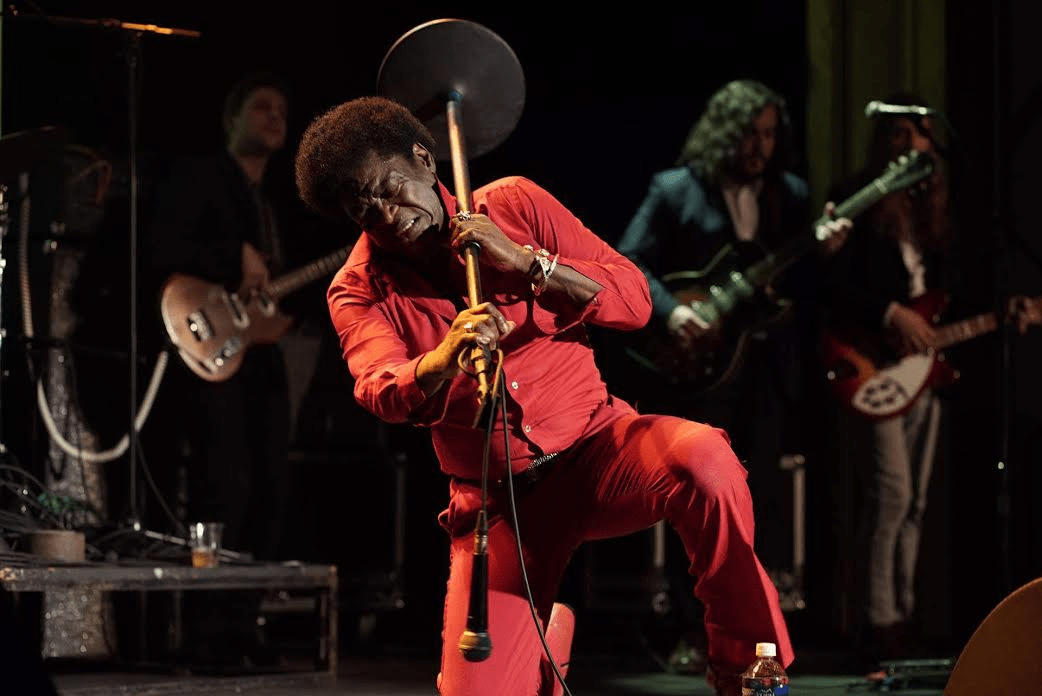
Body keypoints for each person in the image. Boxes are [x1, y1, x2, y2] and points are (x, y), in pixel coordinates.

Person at [294, 95, 794, 696]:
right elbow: (379, 388)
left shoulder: (513, 204)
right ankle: (541, 637)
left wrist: (531, 265)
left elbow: (635, 303)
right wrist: (440, 359)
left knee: (707, 460)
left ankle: (745, 666)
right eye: (362, 209)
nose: (386, 214)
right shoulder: (357, 288)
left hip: (599, 449)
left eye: (388, 188)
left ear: (425, 161)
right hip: (499, 502)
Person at [613, 79, 847, 668]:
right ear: (725, 132)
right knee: (701, 496)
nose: (760, 146)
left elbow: (807, 291)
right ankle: (696, 628)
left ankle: (755, 636)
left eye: (770, 134)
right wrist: (675, 311)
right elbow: (628, 261)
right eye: (750, 133)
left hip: (766, 369)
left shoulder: (789, 196)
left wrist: (828, 253)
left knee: (760, 496)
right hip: (700, 371)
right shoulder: (675, 189)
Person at [821, 92, 1040, 667]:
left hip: (924, 374)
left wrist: (1004, 311)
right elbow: (832, 286)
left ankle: (905, 616)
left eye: (921, 135)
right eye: (902, 135)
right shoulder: (857, 200)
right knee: (890, 495)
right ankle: (878, 622)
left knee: (915, 500)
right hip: (871, 364)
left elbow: (952, 295)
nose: (914, 145)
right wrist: (890, 313)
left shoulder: (940, 212)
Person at [145, 72, 295, 666]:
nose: (274, 116)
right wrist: (231, 258)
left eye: (281, 108)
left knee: (269, 489)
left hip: (259, 356)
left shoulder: (273, 204)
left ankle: (243, 623)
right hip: (212, 355)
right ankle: (207, 629)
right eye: (259, 106)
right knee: (222, 483)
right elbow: (162, 252)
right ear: (229, 120)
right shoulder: (200, 179)